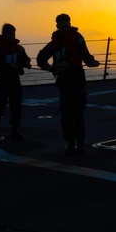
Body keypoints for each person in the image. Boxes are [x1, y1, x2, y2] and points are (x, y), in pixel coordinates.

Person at [36, 14, 101, 155]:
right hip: (64, 80)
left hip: (77, 78)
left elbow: (85, 55)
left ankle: (80, 142)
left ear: (70, 24)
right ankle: (70, 142)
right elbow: (41, 58)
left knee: (78, 112)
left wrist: (93, 62)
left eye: (67, 25)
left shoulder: (77, 38)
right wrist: (49, 68)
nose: (65, 28)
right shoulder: (54, 43)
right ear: (57, 26)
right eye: (62, 26)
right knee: (66, 113)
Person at [0, 23, 32, 140]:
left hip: (14, 80)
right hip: (2, 80)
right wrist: (8, 66)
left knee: (16, 106)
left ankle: (15, 130)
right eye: (10, 34)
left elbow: (25, 58)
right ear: (4, 34)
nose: (12, 36)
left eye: (13, 33)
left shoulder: (19, 48)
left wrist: (27, 63)